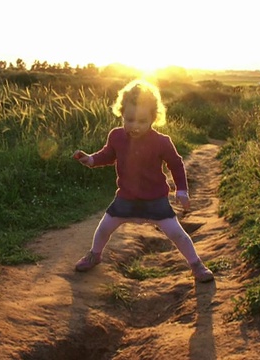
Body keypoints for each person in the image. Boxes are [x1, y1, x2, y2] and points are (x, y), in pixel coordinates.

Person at [72, 79, 214, 283]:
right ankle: (95, 255)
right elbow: (108, 155)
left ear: (153, 119)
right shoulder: (117, 136)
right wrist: (91, 159)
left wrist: (182, 191)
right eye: (129, 120)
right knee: (104, 228)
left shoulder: (162, 142)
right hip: (126, 198)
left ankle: (196, 265)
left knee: (178, 234)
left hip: (155, 200)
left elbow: (176, 164)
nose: (135, 126)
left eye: (141, 121)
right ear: (121, 114)